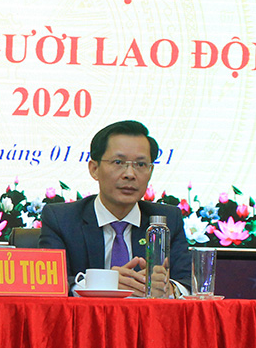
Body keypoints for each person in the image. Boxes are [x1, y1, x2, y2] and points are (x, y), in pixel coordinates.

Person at [37, 120, 190, 297]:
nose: (130, 174)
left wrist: (169, 289)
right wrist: (102, 283)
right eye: (118, 162)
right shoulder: (61, 219)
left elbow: (188, 282)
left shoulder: (168, 219)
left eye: (141, 165)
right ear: (94, 169)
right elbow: (50, 282)